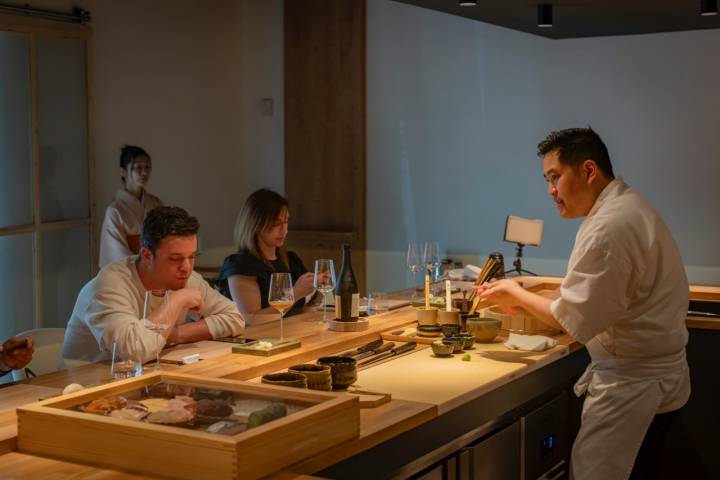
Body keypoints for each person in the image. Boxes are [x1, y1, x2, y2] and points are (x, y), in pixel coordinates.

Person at [477, 128, 690, 480]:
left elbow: (569, 319)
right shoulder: (626, 205)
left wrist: (515, 293)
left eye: (554, 177)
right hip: (656, 379)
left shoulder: (609, 226)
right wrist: (531, 301)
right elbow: (597, 296)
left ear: (588, 171)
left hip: (633, 389)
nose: (550, 191)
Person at [63, 206, 244, 364]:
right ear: (147, 255)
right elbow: (136, 352)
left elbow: (234, 318)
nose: (186, 268)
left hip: (141, 379)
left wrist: (169, 335)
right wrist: (176, 300)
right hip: (80, 387)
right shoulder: (109, 286)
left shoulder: (184, 277)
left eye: (192, 257)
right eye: (175, 259)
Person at [216, 189, 315, 321]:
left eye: (285, 221)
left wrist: (318, 290)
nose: (284, 230)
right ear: (255, 224)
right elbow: (251, 320)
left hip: (290, 334)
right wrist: (295, 293)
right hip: (258, 340)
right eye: (276, 224)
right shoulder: (241, 266)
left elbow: (301, 309)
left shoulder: (290, 260)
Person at [98, 145, 162, 268]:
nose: (144, 172)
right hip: (130, 271)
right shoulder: (114, 211)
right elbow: (118, 256)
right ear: (123, 171)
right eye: (138, 167)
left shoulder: (155, 203)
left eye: (147, 167)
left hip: (154, 267)